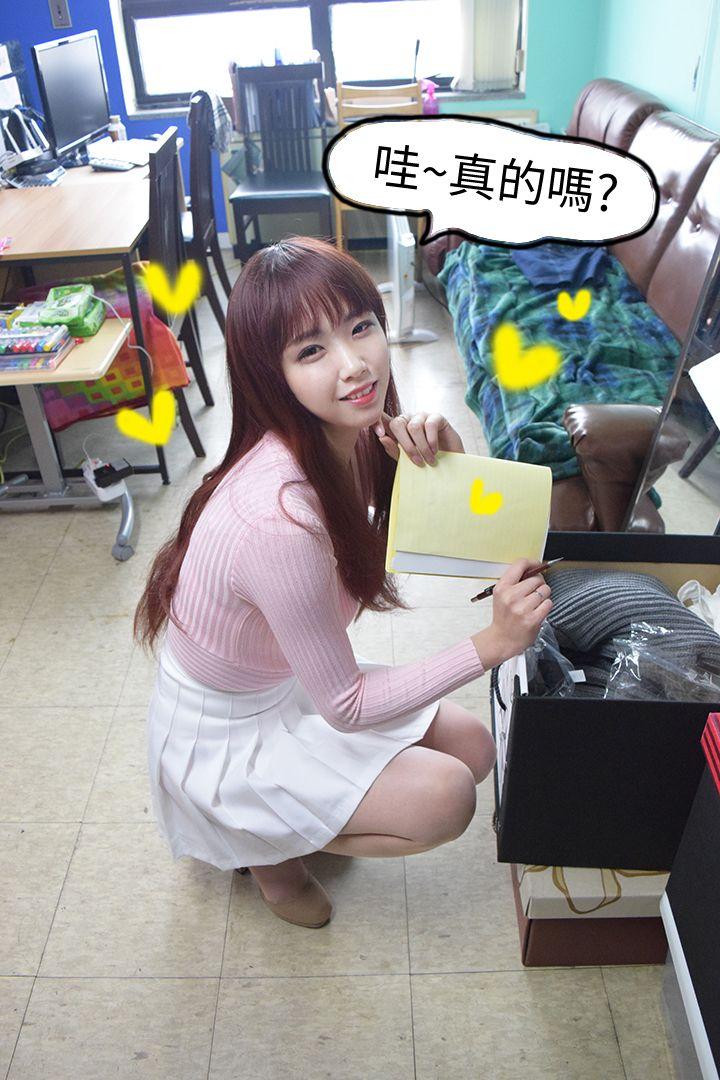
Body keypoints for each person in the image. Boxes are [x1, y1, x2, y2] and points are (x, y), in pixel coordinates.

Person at [134, 236, 552, 929]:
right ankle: (264, 855)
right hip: (231, 733)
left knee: (475, 749)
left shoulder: (351, 434)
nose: (355, 364)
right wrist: (493, 644)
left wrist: (445, 468)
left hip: (293, 679)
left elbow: (439, 549)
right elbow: (348, 706)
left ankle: (290, 821)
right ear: (270, 375)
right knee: (448, 797)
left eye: (360, 327)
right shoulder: (278, 519)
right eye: (311, 350)